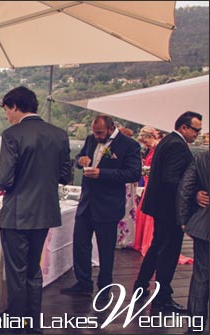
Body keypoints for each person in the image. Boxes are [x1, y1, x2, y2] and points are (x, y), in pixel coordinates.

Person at [0, 86, 72, 333]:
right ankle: (34, 324)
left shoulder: (12, 135)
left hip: (17, 213)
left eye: (7, 111)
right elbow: (66, 176)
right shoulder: (59, 134)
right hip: (45, 212)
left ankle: (17, 325)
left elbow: (5, 180)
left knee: (16, 273)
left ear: (15, 107)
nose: (7, 116)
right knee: (33, 269)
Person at [61, 115, 141, 300]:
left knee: (105, 249)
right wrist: (80, 160)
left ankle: (104, 287)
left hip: (108, 204)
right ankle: (83, 283)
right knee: (80, 243)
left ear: (111, 128)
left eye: (100, 133)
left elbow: (133, 173)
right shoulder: (90, 139)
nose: (97, 136)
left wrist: (102, 173)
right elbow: (79, 158)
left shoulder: (129, 145)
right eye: (95, 132)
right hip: (86, 202)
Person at [133, 111, 203, 312]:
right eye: (195, 130)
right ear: (183, 127)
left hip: (159, 206)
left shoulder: (168, 141)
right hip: (169, 209)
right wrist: (193, 194)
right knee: (169, 253)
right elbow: (171, 179)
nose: (197, 134)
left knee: (157, 247)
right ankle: (162, 297)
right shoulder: (176, 146)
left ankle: (141, 284)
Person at [177, 151, 209, 333]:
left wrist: (184, 219)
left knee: (201, 277)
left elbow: (185, 188)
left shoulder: (202, 157)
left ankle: (195, 327)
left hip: (204, 225)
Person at [133, 126, 160, 255]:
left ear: (151, 137)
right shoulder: (151, 150)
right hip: (147, 180)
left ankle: (148, 241)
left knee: (148, 210)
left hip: (151, 181)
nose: (146, 145)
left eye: (146, 141)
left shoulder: (158, 149)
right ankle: (141, 240)